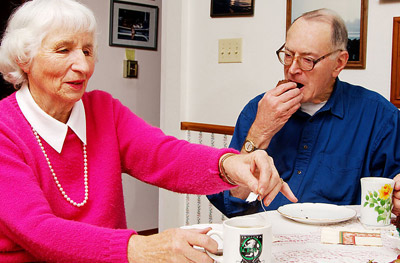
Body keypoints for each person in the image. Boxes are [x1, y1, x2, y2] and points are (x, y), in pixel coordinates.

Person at [0, 0, 298, 262]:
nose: (83, 65)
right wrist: (139, 249)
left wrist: (229, 163)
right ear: (23, 59)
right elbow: (38, 231)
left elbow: (163, 155)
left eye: (87, 50)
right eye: (64, 50)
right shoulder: (5, 129)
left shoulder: (102, 109)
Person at [207, 8, 400, 218]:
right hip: (270, 239)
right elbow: (230, 202)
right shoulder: (257, 109)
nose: (292, 69)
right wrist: (259, 132)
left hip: (337, 245)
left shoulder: (379, 117)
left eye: (308, 60)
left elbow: (392, 203)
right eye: (288, 55)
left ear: (339, 63)